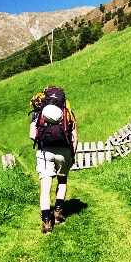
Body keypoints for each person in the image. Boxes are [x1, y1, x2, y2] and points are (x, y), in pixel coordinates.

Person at [30, 88, 78, 235]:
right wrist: (71, 155)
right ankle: (58, 213)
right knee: (62, 181)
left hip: (45, 151)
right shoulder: (67, 112)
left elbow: (32, 135)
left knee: (45, 187)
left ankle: (46, 222)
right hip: (63, 151)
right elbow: (75, 136)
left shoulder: (40, 112)